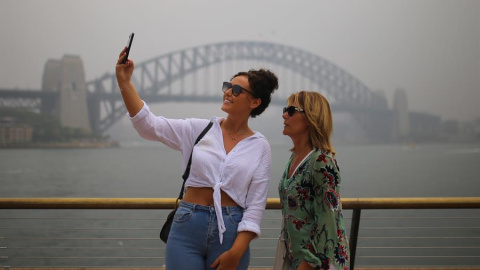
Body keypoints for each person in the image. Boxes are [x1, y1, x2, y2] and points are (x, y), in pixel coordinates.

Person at [115, 47, 279, 269]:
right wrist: (125, 83)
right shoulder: (199, 129)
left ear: (255, 102)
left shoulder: (260, 147)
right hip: (187, 225)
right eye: (228, 86)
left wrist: (236, 252)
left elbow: (255, 206)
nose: (228, 92)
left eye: (237, 89)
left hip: (230, 233)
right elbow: (148, 126)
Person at [278, 91, 350, 270]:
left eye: (292, 110)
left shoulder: (321, 161)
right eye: (285, 109)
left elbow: (328, 221)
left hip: (317, 265)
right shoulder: (295, 158)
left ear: (311, 117)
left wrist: (307, 265)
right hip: (296, 260)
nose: (284, 114)